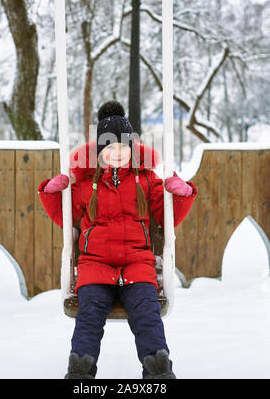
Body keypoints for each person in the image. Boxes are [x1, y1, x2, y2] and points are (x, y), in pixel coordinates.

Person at [38, 101, 197, 379]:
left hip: (137, 265)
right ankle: (80, 371)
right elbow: (66, 219)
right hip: (95, 266)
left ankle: (158, 370)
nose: (118, 153)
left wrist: (181, 196)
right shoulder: (86, 184)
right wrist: (54, 194)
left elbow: (168, 218)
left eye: (124, 147)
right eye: (110, 147)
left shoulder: (146, 180)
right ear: (99, 152)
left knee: (146, 313)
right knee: (89, 315)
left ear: (133, 149)